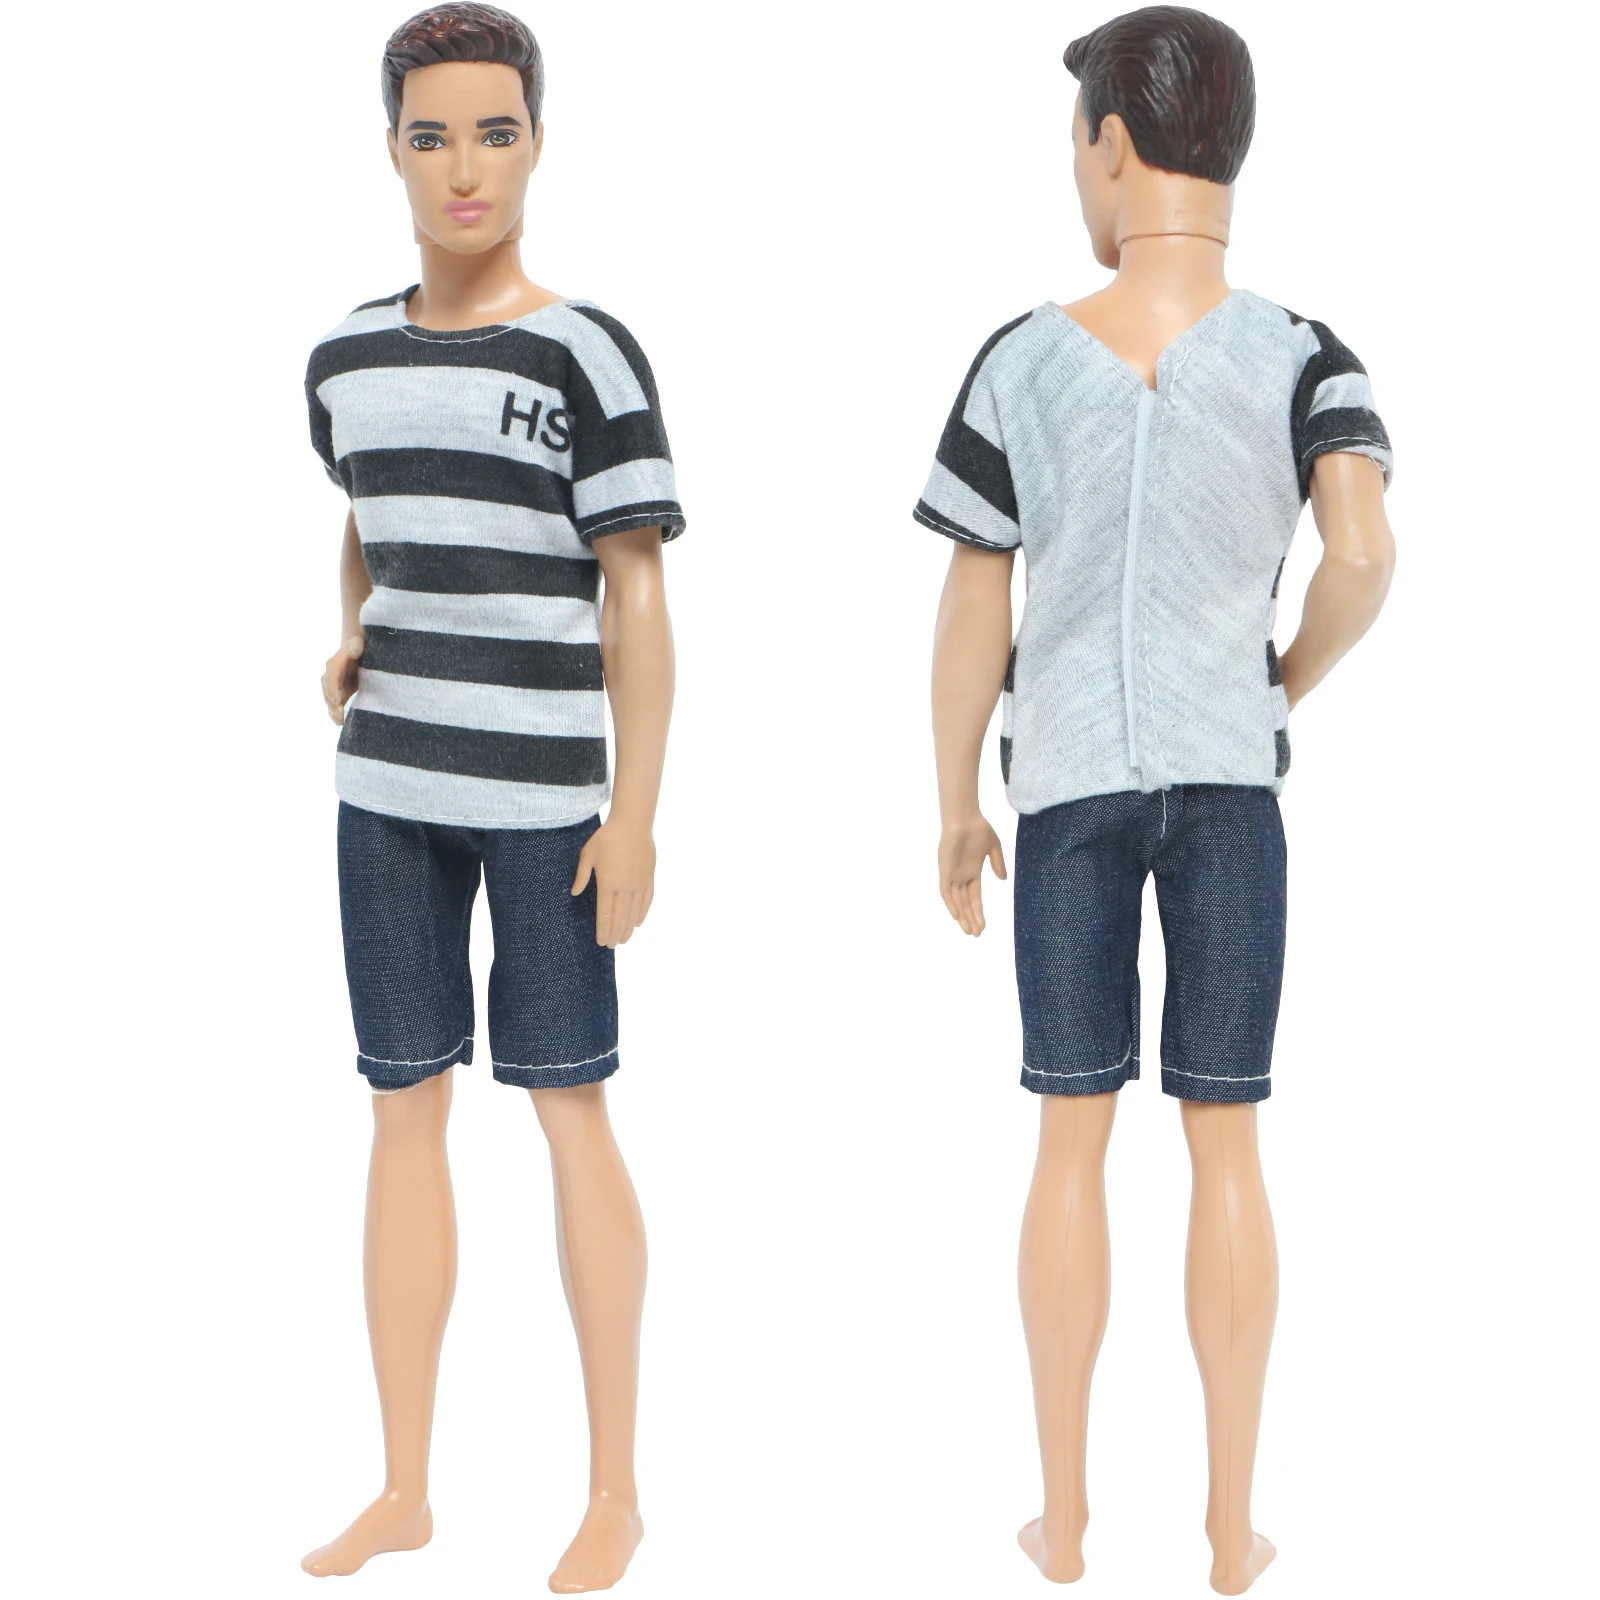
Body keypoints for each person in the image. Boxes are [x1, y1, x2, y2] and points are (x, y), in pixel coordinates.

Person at [920, 7, 1395, 1591]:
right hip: (1228, 791)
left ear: (1113, 145)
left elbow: (972, 606)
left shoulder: (1021, 358)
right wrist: (1277, 686)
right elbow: (1364, 553)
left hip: (1062, 789)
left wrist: (951, 798)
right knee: (1226, 1138)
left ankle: (1063, 1521)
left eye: (1075, 146)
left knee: (1068, 1138)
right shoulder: (1305, 354)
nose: (1076, 173)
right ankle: (1226, 1529)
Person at [301, 7, 680, 1590]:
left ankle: (615, 1489)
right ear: (392, 148)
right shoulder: (345, 357)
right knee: (403, 1107)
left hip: (544, 802)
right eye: (434, 135)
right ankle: (405, 1483)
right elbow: (370, 519)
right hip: (387, 790)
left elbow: (635, 590)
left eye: (496, 132)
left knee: (568, 1103)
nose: (465, 168)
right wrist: (349, 633)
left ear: (538, 143)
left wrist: (635, 810)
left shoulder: (585, 352)